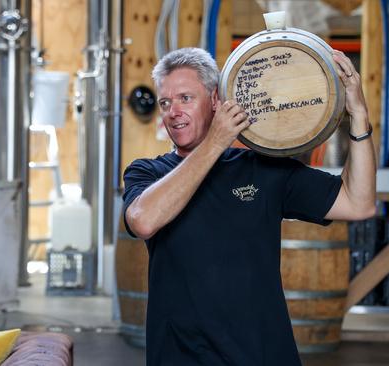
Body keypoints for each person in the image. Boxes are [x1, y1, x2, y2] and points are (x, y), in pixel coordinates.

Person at [122, 47, 376, 366]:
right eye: (165, 102)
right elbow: (143, 221)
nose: (173, 111)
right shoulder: (148, 172)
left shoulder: (261, 169)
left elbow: (359, 203)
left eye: (185, 98)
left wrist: (359, 115)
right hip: (183, 356)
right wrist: (216, 142)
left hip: (264, 354)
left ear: (216, 100)